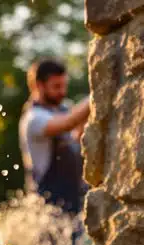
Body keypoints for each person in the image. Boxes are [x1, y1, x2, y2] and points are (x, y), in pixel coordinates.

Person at [19, 59, 90, 214]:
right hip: (46, 208)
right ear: (39, 85)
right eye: (56, 87)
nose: (63, 92)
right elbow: (68, 123)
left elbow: (77, 137)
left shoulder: (64, 109)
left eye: (64, 85)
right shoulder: (34, 118)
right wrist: (98, 94)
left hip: (72, 203)